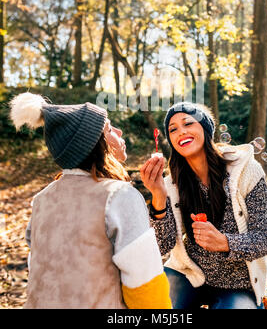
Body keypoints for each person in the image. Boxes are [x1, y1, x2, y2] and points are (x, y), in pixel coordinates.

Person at [10, 92, 171, 309]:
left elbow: (39, 270)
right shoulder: (119, 195)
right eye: (109, 128)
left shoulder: (42, 200)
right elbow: (145, 286)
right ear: (95, 143)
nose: (119, 131)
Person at [140, 102, 267, 309]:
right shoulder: (170, 184)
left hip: (238, 285)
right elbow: (161, 246)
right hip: (189, 275)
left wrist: (225, 242)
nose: (181, 132)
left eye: (188, 123)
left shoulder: (247, 172)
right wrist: (158, 195)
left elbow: (265, 239)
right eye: (173, 129)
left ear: (205, 128)